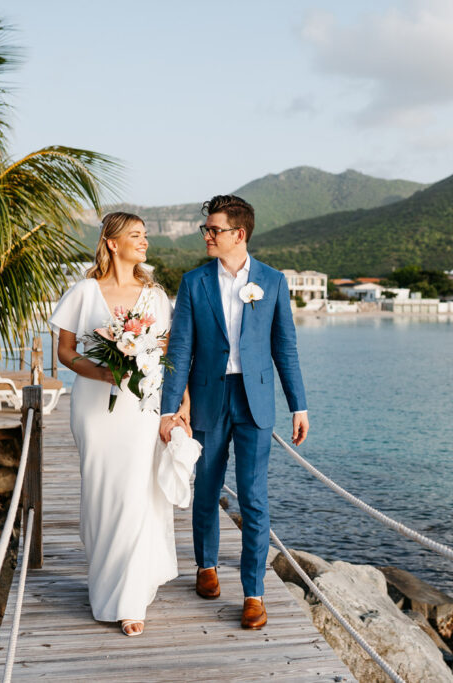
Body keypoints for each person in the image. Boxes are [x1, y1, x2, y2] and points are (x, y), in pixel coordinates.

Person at [159, 194, 309, 630]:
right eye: (206, 229)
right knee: (206, 487)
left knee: (253, 496)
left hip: (256, 399)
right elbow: (181, 349)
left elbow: (286, 348)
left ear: (238, 234)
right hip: (208, 396)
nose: (207, 235)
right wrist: (170, 411)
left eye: (214, 229)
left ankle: (254, 593)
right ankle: (206, 565)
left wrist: (299, 404)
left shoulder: (273, 281)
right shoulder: (193, 282)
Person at [50, 211, 185, 636]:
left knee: (134, 494)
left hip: (140, 409)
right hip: (94, 407)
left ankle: (129, 600)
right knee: (100, 494)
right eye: (135, 235)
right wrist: (103, 372)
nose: (144, 242)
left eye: (146, 235)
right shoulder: (85, 291)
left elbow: (168, 357)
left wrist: (178, 409)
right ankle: (104, 581)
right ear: (111, 242)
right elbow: (66, 353)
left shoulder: (156, 296)